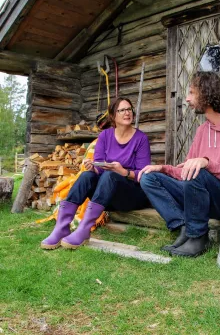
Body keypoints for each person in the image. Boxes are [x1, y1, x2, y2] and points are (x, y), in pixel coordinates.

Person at [138, 71, 220, 257]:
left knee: (198, 172)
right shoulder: (203, 130)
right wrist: (162, 168)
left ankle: (199, 236)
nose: (187, 99)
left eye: (192, 93)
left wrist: (207, 163)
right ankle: (184, 227)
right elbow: (188, 168)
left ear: (207, 93)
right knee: (149, 178)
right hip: (200, 195)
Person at [41, 97, 151, 250]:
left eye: (129, 109)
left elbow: (143, 175)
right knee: (86, 175)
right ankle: (62, 227)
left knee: (111, 175)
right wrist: (93, 167)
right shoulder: (105, 136)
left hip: (132, 196)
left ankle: (84, 229)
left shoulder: (141, 139)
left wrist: (123, 171)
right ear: (113, 115)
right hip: (106, 195)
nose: (127, 113)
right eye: (122, 110)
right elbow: (99, 166)